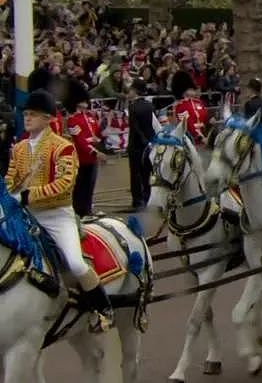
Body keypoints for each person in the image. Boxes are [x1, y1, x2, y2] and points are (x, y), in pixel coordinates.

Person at [7, 89, 115, 331]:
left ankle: (103, 307)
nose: (27, 118)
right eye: (26, 114)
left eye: (33, 114)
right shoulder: (19, 148)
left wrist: (27, 195)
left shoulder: (63, 147)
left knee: (76, 263)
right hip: (27, 215)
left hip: (56, 216)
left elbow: (64, 184)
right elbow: (10, 178)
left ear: (47, 118)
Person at [66, 79, 105, 217]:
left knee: (90, 187)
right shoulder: (72, 120)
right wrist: (94, 152)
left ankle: (87, 210)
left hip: (92, 158)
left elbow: (97, 135)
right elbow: (80, 141)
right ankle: (79, 212)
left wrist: (99, 142)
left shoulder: (90, 117)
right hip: (82, 158)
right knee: (80, 188)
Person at [127, 79, 154, 212]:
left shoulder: (132, 106)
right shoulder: (149, 105)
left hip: (136, 145)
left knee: (135, 174)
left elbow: (135, 127)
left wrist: (142, 140)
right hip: (148, 144)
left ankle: (138, 201)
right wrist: (149, 141)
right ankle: (147, 197)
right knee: (146, 173)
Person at [171, 70, 208, 146]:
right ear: (184, 91)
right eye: (191, 89)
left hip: (205, 137)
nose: (194, 91)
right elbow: (187, 125)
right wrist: (200, 137)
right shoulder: (180, 106)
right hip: (191, 142)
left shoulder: (199, 102)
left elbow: (206, 118)